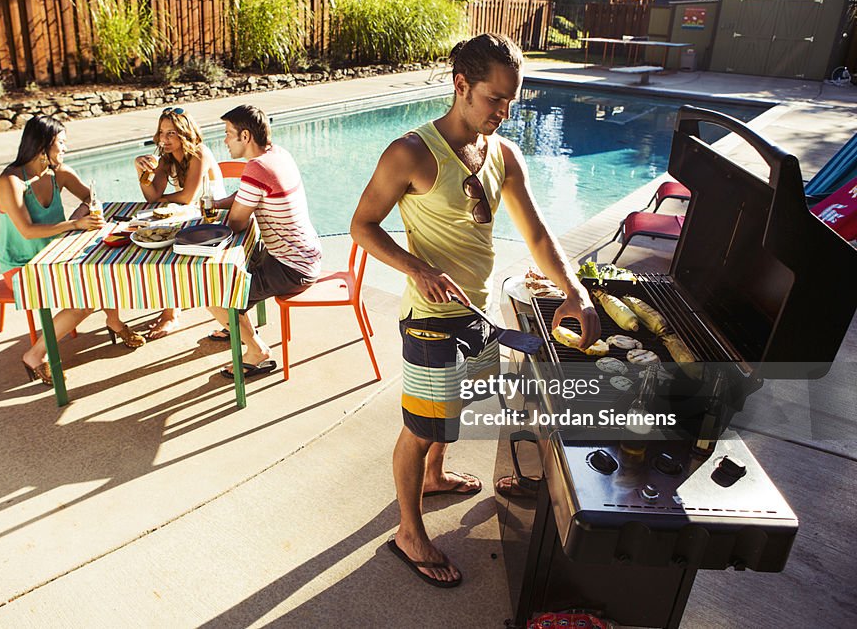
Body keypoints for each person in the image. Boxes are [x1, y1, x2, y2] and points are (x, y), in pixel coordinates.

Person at [350, 33, 600, 587]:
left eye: (512, 100)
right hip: (433, 322)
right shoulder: (410, 153)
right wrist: (416, 267)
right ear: (461, 86)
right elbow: (361, 226)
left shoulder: (502, 154)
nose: (504, 112)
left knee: (452, 412)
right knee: (420, 428)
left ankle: (434, 477)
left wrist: (574, 290)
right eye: (494, 99)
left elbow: (534, 231)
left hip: (479, 313)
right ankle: (408, 532)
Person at [0, 115, 145, 386]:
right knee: (86, 299)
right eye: (61, 143)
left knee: (105, 267)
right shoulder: (11, 182)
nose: (65, 148)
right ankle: (34, 355)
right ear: (43, 146)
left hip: (57, 253)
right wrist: (75, 224)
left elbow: (92, 198)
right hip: (23, 264)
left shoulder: (59, 173)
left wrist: (82, 214)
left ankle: (113, 321)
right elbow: (27, 231)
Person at [207, 104, 322, 378]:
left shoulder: (257, 168)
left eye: (227, 133)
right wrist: (219, 203)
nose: (224, 140)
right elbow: (247, 196)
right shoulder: (277, 155)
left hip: (292, 268)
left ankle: (257, 351)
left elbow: (236, 223)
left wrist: (221, 212)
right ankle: (234, 323)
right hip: (304, 254)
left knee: (213, 292)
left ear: (245, 136)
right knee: (237, 266)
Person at [133, 107, 227, 340]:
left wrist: (163, 199)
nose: (163, 139)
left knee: (168, 249)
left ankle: (171, 314)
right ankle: (171, 310)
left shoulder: (199, 153)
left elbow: (187, 197)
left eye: (171, 133)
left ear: (185, 134)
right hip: (188, 216)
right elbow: (152, 196)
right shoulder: (165, 159)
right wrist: (139, 170)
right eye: (162, 133)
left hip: (213, 218)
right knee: (154, 240)